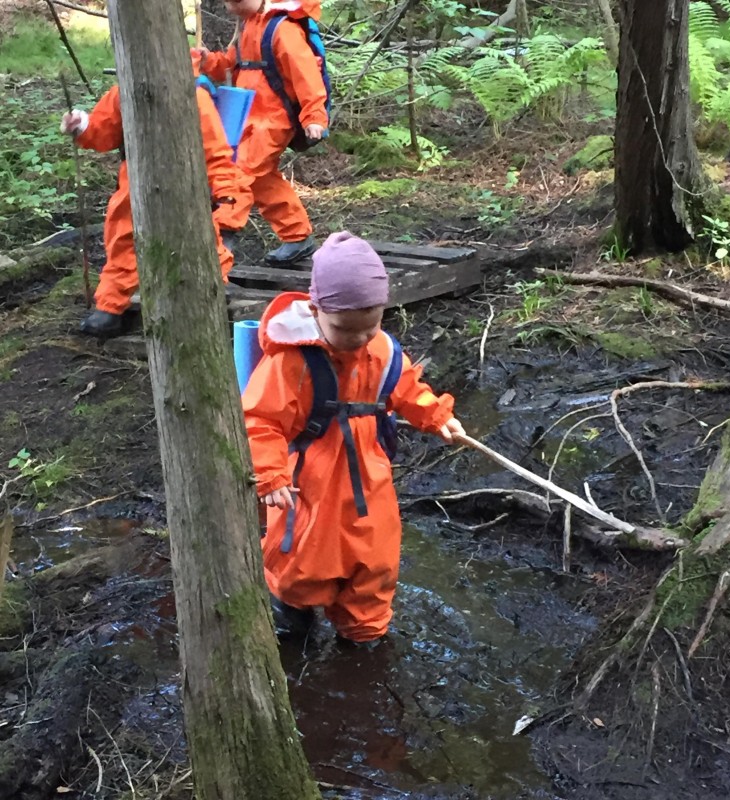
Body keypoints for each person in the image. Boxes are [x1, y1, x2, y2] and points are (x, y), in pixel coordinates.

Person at [242, 232, 465, 645]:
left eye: (370, 326)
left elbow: (406, 388)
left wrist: (436, 416)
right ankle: (289, 617)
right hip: (310, 480)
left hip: (369, 474)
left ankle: (365, 631)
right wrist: (270, 474)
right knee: (303, 557)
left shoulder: (382, 351)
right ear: (316, 311)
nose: (360, 338)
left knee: (375, 555)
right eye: (346, 329)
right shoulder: (292, 361)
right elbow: (261, 419)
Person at [60, 53, 240, 338]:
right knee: (123, 238)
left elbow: (216, 153)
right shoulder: (123, 93)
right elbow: (103, 131)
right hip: (136, 179)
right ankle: (111, 306)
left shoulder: (194, 96)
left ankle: (213, 289)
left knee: (202, 237)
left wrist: (226, 195)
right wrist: (82, 126)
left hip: (187, 183)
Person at [194, 0, 328, 264]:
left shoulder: (283, 28)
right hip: (249, 117)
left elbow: (306, 74)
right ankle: (297, 236)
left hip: (274, 121)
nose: (231, 8)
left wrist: (314, 116)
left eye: (236, 1)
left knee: (238, 172)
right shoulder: (250, 25)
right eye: (227, 2)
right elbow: (233, 64)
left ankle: (220, 237)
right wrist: (209, 61)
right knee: (262, 180)